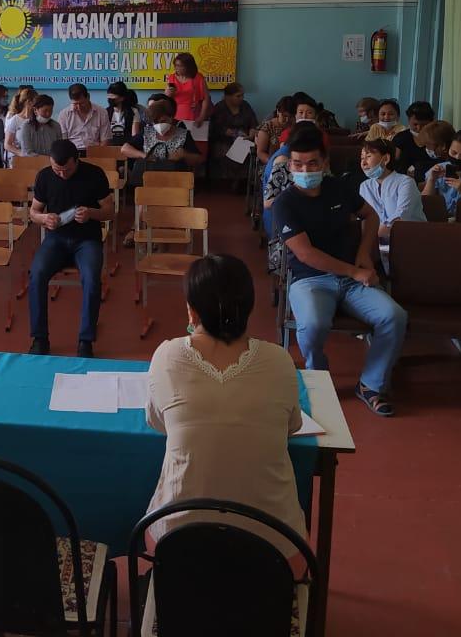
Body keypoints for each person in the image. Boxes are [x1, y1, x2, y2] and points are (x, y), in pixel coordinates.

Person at [142, 254, 307, 635]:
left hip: (179, 544)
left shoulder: (167, 355)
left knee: (162, 524)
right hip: (276, 548)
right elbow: (292, 426)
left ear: (191, 310)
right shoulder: (279, 361)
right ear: (248, 306)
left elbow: (156, 421)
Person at [273, 125, 407, 417]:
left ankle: (371, 385)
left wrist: (363, 254)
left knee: (394, 316)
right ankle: (318, 376)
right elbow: (306, 254)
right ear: (290, 166)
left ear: (324, 163)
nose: (305, 170)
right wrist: (353, 271)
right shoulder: (285, 204)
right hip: (310, 280)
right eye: (298, 164)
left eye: (312, 164)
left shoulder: (339, 187)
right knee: (312, 325)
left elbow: (370, 216)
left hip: (352, 279)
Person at [28, 140, 114, 358]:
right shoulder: (45, 176)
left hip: (87, 240)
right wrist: (44, 218)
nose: (61, 174)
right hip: (56, 239)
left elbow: (110, 211)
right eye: (56, 170)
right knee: (36, 274)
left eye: (66, 170)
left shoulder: (94, 174)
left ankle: (86, 340)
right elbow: (34, 212)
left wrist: (91, 213)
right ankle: (39, 338)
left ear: (77, 161)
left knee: (92, 278)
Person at [120, 97, 204, 179]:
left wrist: (184, 155)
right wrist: (144, 155)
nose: (159, 124)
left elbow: (199, 159)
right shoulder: (147, 133)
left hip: (175, 180)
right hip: (149, 179)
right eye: (156, 122)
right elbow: (125, 149)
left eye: (163, 121)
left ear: (171, 118)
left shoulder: (183, 134)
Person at [359, 138, 426, 240]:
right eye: (361, 158)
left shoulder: (406, 182)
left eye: (368, 156)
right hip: (378, 241)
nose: (363, 163)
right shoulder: (364, 186)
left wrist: (369, 235)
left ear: (386, 159)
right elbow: (363, 218)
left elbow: (400, 218)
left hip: (411, 239)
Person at [209, 81, 257, 181]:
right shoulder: (220, 107)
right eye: (238, 96)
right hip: (224, 141)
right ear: (228, 97)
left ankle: (241, 182)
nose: (241, 98)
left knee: (250, 152)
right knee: (227, 154)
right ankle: (230, 182)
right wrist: (227, 132)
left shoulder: (245, 105)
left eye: (242, 95)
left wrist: (251, 134)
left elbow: (253, 123)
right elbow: (215, 128)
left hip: (244, 139)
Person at [57, 83, 111, 152]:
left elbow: (105, 140)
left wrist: (98, 154)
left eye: (82, 103)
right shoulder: (64, 114)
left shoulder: (102, 112)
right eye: (75, 104)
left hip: (95, 152)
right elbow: (63, 142)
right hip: (72, 152)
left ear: (88, 97)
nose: (79, 107)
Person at [165, 52, 211, 128]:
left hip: (194, 116)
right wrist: (167, 95)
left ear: (188, 66)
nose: (177, 68)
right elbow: (166, 99)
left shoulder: (198, 77)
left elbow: (206, 99)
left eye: (180, 66)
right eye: (176, 65)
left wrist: (202, 117)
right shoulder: (171, 78)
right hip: (175, 117)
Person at [391, 102, 437, 179]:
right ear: (409, 120)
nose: (419, 128)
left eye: (424, 125)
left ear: (431, 122)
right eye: (415, 124)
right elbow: (393, 163)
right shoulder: (401, 138)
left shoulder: (437, 139)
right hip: (405, 180)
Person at [255, 95, 295, 162]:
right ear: (278, 112)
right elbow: (260, 153)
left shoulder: (295, 126)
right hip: (271, 162)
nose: (287, 120)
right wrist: (274, 163)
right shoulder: (268, 127)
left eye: (290, 116)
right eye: (284, 116)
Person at [4, 86, 37, 165]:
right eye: (36, 102)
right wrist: (22, 153)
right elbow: (7, 145)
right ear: (28, 102)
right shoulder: (14, 120)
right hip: (17, 156)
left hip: (34, 155)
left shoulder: (36, 119)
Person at [105, 81, 142, 146]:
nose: (110, 100)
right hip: (110, 146)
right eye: (109, 97)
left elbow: (135, 135)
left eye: (113, 98)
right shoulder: (105, 112)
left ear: (122, 98)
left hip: (127, 146)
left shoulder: (133, 111)